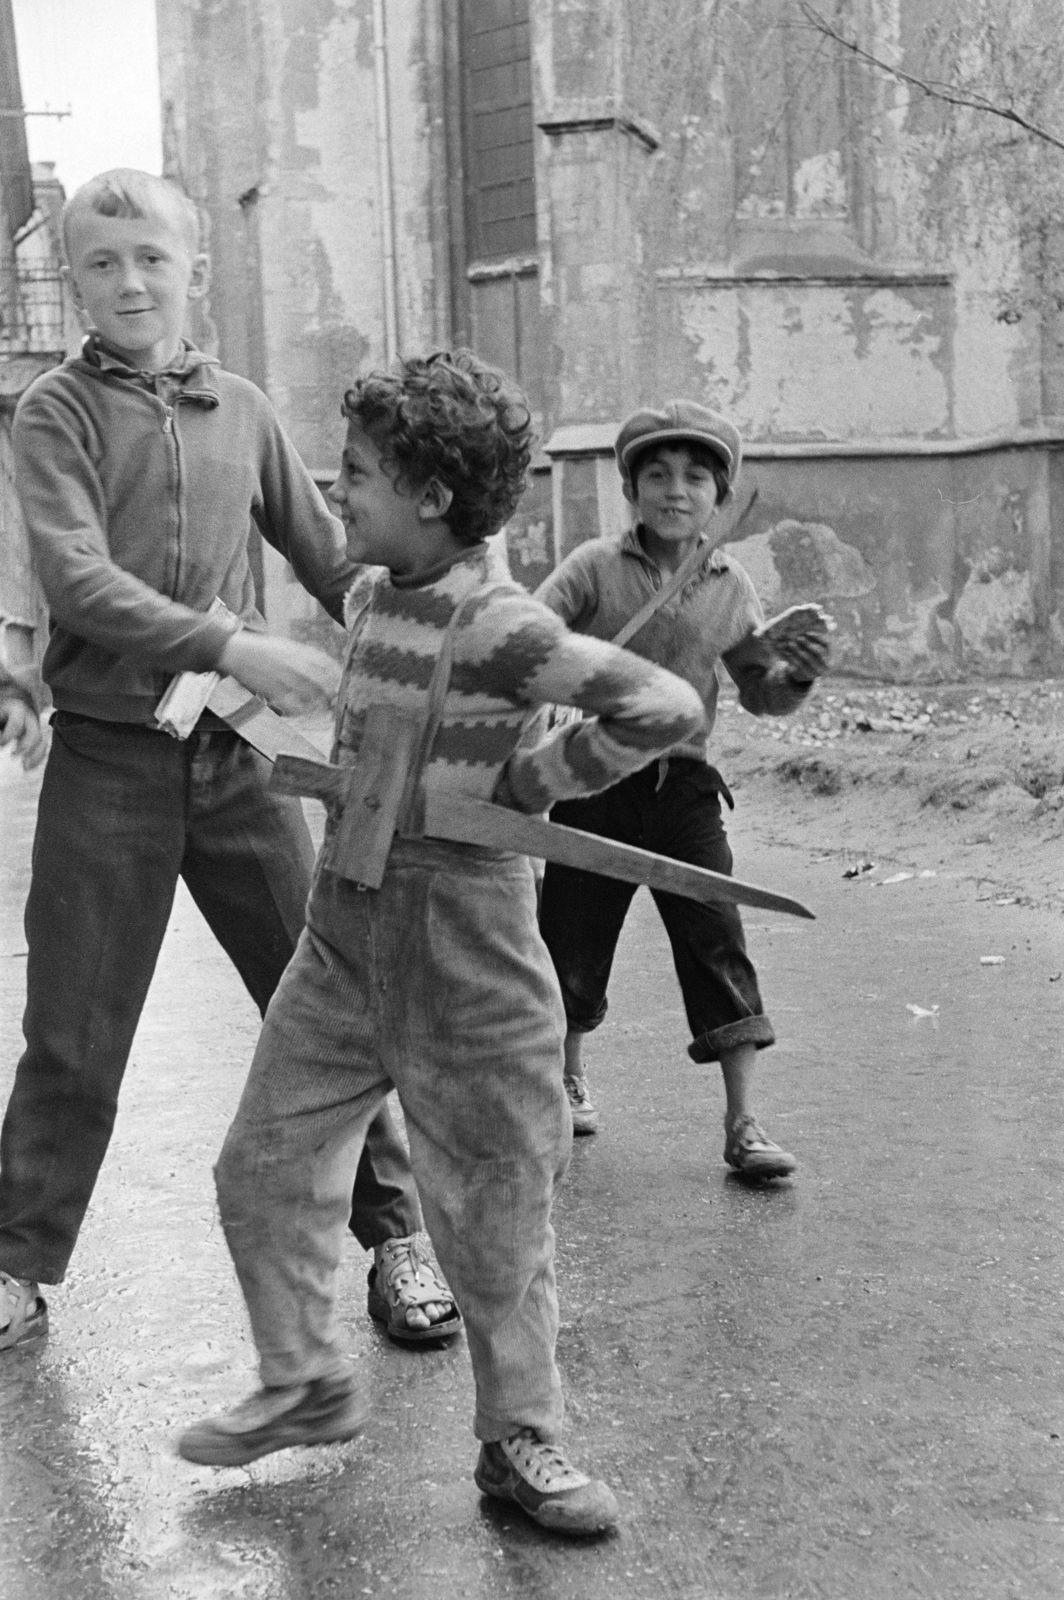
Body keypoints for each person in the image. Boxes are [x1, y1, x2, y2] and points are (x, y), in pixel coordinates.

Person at [177, 350, 706, 1537]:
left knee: (496, 1205)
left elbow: (662, 706)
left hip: (469, 944)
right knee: (260, 1166)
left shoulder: (500, 625)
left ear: (428, 497)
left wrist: (534, 780)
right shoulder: (373, 597)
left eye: (357, 473)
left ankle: (520, 1436)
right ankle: (302, 1379)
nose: (336, 489)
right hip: (341, 936)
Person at [0, 169, 458, 1355]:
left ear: (193, 269)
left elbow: (331, 560)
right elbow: (77, 583)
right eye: (102, 264)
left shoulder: (242, 410)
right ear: (72, 281)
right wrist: (232, 642)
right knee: (74, 1026)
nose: (129, 283)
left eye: (151, 258)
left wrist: (432, 630)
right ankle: (17, 1263)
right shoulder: (53, 414)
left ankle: (396, 1236)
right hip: (106, 764)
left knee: (322, 1001)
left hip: (237, 757)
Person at [536, 400, 830, 1175]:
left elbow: (759, 692)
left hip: (686, 791)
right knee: (570, 939)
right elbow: (525, 637)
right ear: (630, 489)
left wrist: (795, 677)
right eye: (658, 475)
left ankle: (744, 1122)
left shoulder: (730, 585)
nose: (676, 490)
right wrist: (556, 685)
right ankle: (567, 1079)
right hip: (593, 783)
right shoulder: (594, 567)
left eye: (696, 477)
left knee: (716, 940)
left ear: (719, 497)